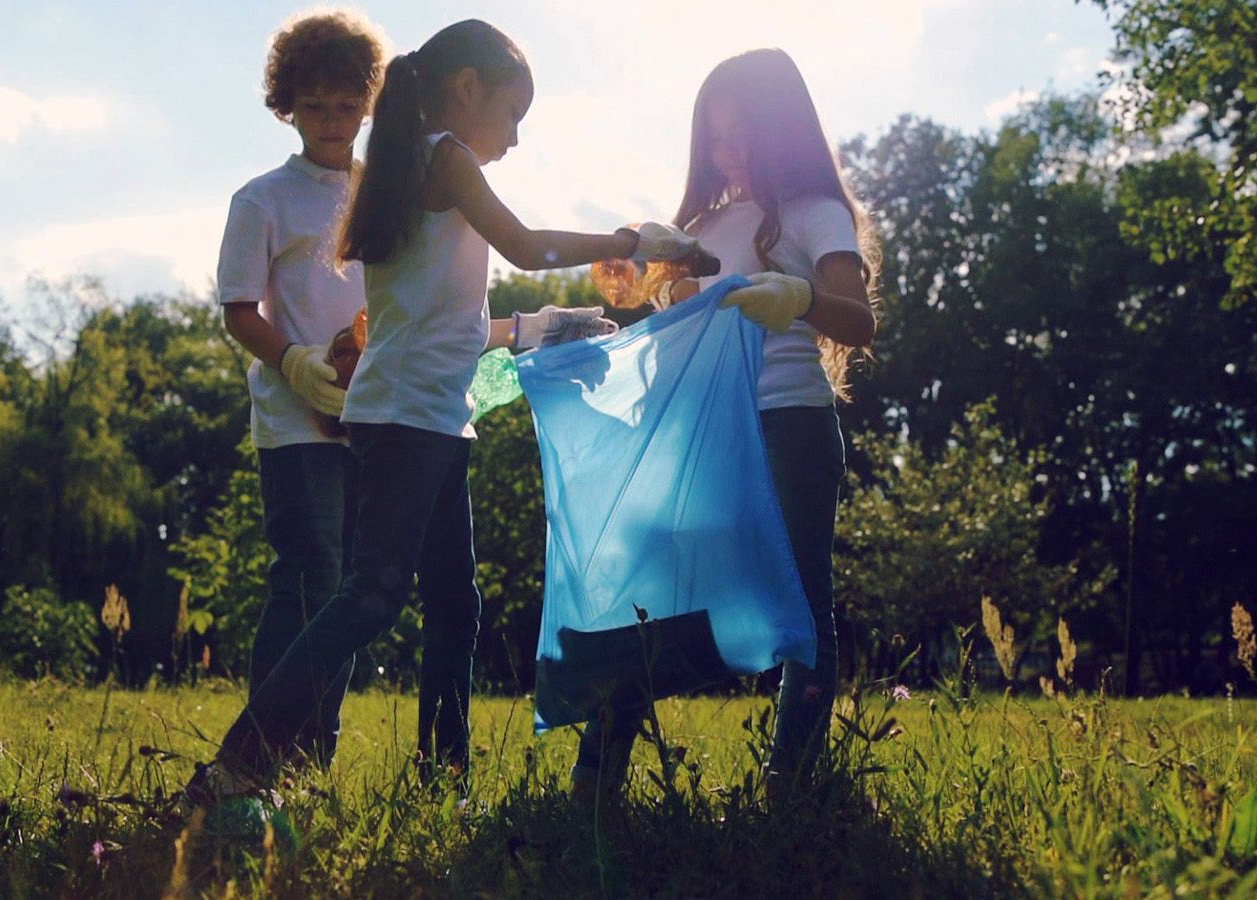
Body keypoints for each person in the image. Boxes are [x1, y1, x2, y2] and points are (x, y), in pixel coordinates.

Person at [190, 18, 697, 801]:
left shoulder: (399, 165)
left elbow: (440, 312)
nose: (516, 139)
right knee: (371, 595)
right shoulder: (445, 158)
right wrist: (631, 239)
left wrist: (539, 328)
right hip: (406, 420)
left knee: (456, 603)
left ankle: (440, 779)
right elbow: (526, 245)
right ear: (466, 91)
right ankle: (237, 764)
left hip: (432, 413)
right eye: (513, 114)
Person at [571, 47, 881, 803]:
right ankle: (591, 788)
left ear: (783, 131)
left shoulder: (815, 213)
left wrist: (798, 299)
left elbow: (860, 321)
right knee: (649, 597)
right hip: (703, 432)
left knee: (801, 613)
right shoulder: (701, 224)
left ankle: (789, 791)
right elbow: (679, 314)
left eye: (742, 133)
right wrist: (639, 276)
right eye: (715, 136)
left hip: (790, 427)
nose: (726, 151)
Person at [214, 8, 387, 768]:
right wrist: (292, 364)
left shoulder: (385, 195)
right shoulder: (262, 200)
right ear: (288, 105)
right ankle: (264, 756)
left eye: (346, 105)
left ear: (368, 103)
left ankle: (314, 758)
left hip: (374, 412)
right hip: (292, 421)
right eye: (313, 105)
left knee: (350, 589)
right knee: (308, 576)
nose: (330, 120)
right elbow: (237, 310)